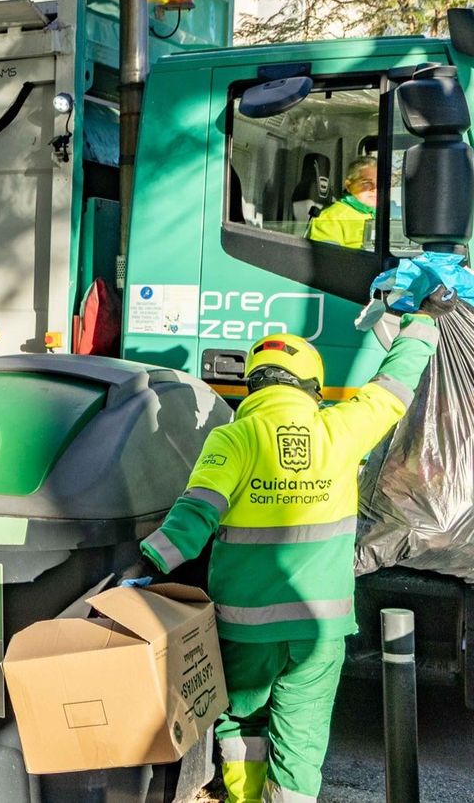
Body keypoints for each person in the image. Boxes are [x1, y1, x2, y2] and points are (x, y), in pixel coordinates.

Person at [138, 302, 445, 803]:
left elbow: (197, 512)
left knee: (242, 722)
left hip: (245, 627)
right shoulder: (342, 430)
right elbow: (394, 387)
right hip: (319, 628)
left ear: (255, 386)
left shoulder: (233, 438)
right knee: (301, 739)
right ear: (312, 388)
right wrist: (425, 322)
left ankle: (243, 798)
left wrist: (149, 562)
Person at [307, 155, 377, 249]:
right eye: (367, 183)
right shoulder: (330, 218)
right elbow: (328, 259)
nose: (375, 188)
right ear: (348, 185)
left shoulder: (382, 215)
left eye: (380, 183)